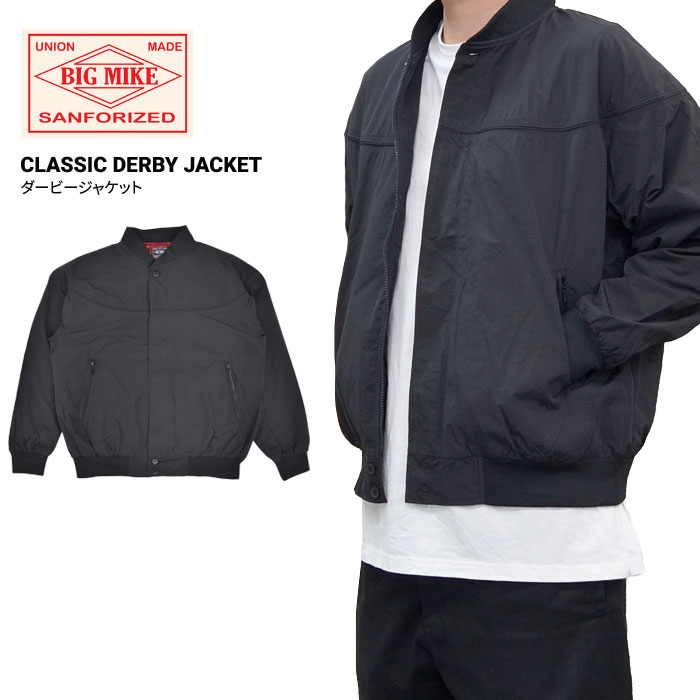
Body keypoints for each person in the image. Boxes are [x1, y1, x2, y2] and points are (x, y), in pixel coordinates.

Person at [335, 0, 700, 697]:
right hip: (393, 552)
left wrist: (569, 341)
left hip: (542, 557)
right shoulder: (383, 82)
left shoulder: (595, 60)